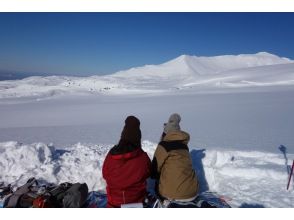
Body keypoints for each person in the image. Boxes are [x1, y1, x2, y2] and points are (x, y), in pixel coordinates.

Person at [102, 116, 151, 208]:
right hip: (137, 202)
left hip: (114, 204)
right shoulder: (142, 157)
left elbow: (105, 174)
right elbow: (148, 172)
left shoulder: (111, 155)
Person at [151, 113, 199, 204]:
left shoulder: (164, 145)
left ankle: (165, 203)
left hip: (172, 195)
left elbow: (154, 170)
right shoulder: (184, 147)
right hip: (193, 193)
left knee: (157, 185)